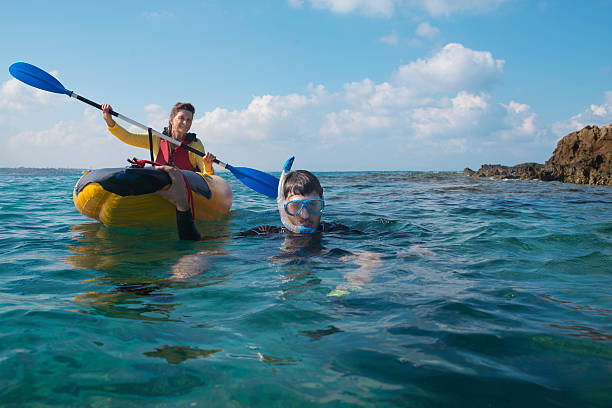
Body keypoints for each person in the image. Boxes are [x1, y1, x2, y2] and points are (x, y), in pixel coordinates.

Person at [155, 161, 354, 241]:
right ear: (282, 207)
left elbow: (371, 257)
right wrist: (182, 206)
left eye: (313, 206)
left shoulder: (336, 233)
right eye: (295, 207)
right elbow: (199, 245)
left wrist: (346, 288)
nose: (305, 216)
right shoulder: (266, 233)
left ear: (322, 201)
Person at [101, 102, 216, 175]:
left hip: (187, 189)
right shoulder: (157, 139)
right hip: (162, 185)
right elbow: (128, 137)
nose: (185, 123)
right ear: (171, 120)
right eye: (181, 118)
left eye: (189, 120)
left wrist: (208, 165)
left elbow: (207, 174)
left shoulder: (195, 144)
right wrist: (109, 120)